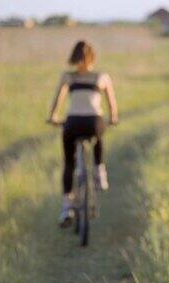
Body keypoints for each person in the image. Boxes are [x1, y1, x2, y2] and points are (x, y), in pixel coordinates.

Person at [47, 40, 118, 227]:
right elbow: (112, 105)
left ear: (73, 57)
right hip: (93, 122)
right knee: (98, 133)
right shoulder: (101, 77)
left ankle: (66, 208)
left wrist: (53, 117)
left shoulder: (68, 77)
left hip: (73, 122)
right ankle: (99, 171)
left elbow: (58, 102)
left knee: (69, 163)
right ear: (92, 57)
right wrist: (113, 118)